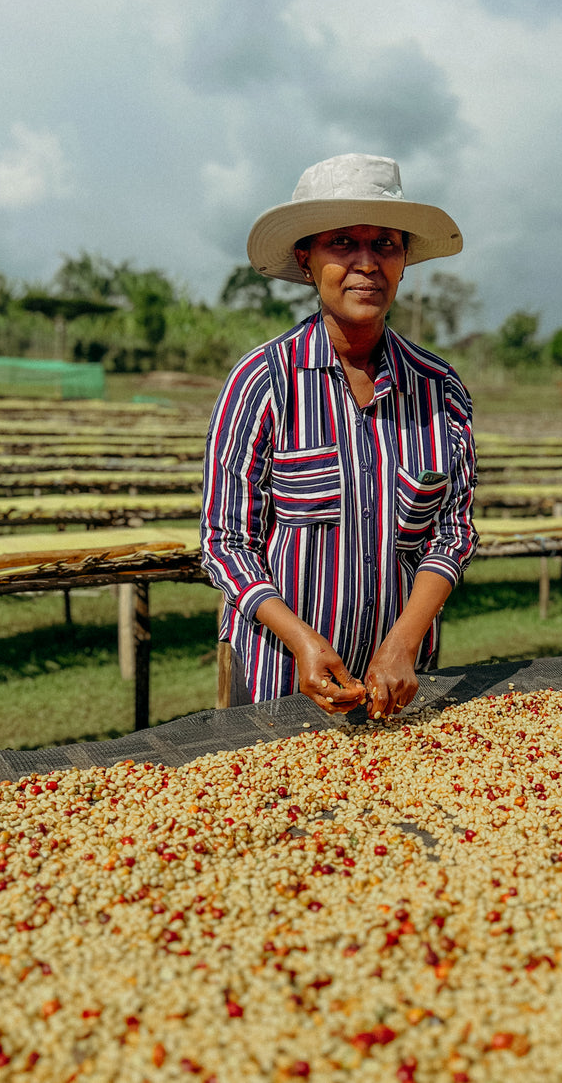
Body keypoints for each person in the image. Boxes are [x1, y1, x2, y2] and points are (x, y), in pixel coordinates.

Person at [200, 153, 478, 719]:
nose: (366, 264)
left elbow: (452, 533)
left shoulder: (439, 391)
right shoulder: (262, 384)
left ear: (403, 262)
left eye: (384, 245)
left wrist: (402, 644)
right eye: (343, 244)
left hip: (398, 683)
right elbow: (225, 541)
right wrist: (301, 640)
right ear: (307, 260)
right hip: (281, 674)